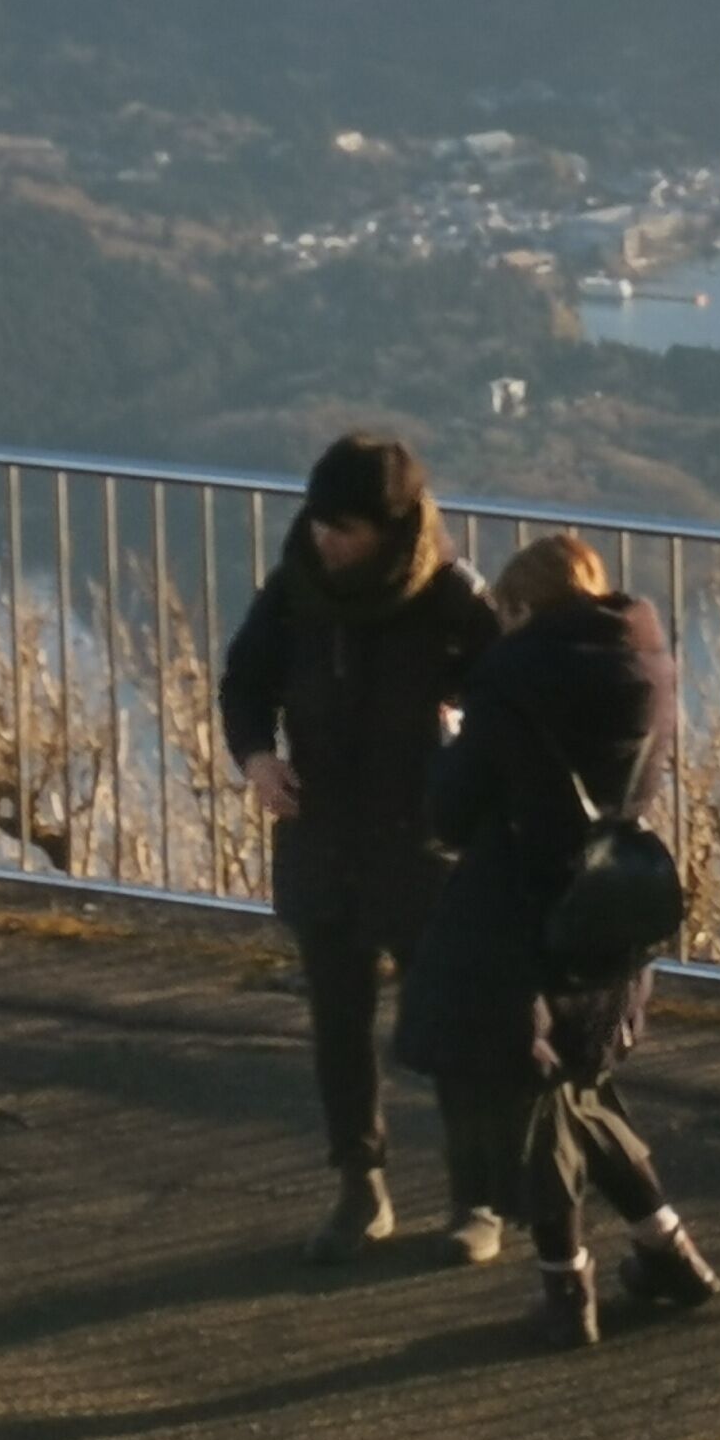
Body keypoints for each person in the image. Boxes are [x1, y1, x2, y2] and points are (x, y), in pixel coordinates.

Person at [410, 530, 719, 1351]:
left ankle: (565, 1289)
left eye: (505, 612)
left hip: (520, 906)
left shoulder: (515, 682)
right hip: (610, 897)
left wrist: (449, 737)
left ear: (522, 609)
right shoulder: (645, 667)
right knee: (581, 1085)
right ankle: (668, 1249)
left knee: (536, 1093)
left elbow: (456, 807)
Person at [218, 433, 502, 1268]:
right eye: (318, 522)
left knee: (449, 1025)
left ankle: (476, 1196)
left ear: (392, 527)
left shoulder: (452, 599)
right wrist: (257, 756)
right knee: (336, 1022)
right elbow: (245, 680)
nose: (325, 540)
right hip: (322, 837)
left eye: (344, 527)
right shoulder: (296, 591)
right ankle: (359, 1184)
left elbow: (509, 698)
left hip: (420, 845)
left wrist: (467, 778)